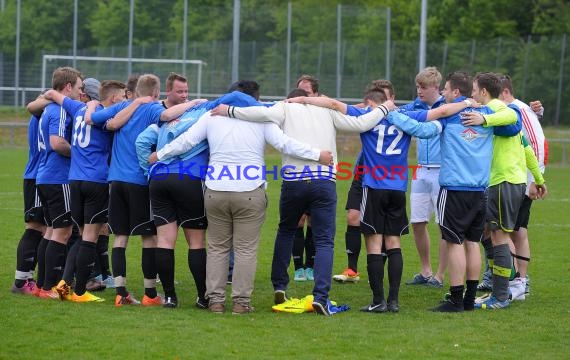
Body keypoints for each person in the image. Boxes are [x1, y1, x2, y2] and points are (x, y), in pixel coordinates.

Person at [152, 84, 334, 314]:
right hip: (249, 190)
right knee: (245, 250)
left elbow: (186, 141)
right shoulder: (260, 118)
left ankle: (215, 300)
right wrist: (318, 154)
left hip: (216, 189)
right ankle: (241, 303)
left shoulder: (212, 116)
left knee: (217, 248)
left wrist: (160, 154)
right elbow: (284, 143)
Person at [289, 85, 471, 313]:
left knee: (374, 243)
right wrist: (467, 103)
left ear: (369, 103)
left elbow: (333, 104)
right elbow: (442, 112)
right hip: (397, 188)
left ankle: (378, 301)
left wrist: (300, 100)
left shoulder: (367, 115)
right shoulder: (405, 115)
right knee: (394, 243)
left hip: (374, 186)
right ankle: (393, 301)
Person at [211, 91, 395, 316]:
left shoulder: (285, 107)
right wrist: (385, 107)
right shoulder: (327, 110)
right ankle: (320, 297)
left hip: (294, 181)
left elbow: (259, 113)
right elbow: (362, 123)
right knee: (325, 240)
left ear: (291, 97)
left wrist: (229, 110)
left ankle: (280, 286)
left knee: (286, 231)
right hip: (323, 180)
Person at [87, 73, 191, 307]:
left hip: (115, 180)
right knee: (149, 237)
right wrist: (193, 103)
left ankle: (121, 292)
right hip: (139, 182)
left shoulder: (123, 105)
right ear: (155, 94)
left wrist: (92, 105)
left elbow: (95, 118)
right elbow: (167, 114)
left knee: (120, 236)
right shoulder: (152, 108)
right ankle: (150, 294)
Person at [462, 72, 547, 310]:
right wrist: (539, 179)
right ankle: (500, 290)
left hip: (504, 182)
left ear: (484, 92)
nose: (472, 96)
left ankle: (500, 295)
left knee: (499, 236)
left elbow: (513, 113)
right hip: (510, 182)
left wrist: (483, 120)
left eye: (474, 91)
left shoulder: (499, 110)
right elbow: (527, 149)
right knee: (493, 233)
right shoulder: (499, 115)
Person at [43, 79, 128, 302]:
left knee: (81, 236)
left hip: (74, 181)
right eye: (121, 97)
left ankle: (63, 285)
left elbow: (53, 94)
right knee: (90, 237)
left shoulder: (78, 108)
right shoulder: (106, 116)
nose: (123, 100)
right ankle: (80, 291)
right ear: (111, 98)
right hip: (96, 181)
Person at [333, 79, 396, 283]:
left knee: (383, 227)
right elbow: (348, 110)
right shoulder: (367, 113)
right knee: (353, 217)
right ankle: (352, 270)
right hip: (362, 172)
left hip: (385, 176)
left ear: (391, 99)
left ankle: (376, 271)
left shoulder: (399, 116)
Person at [33, 67, 83, 299]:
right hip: (58, 177)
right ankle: (49, 287)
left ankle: (42, 286)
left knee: (51, 231)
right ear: (68, 87)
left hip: (45, 176)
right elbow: (57, 143)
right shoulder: (60, 111)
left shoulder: (47, 110)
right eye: (79, 88)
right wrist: (81, 155)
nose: (81, 93)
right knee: (62, 232)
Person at [498, 75, 548, 300]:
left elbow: (537, 144)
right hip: (515, 180)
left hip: (520, 182)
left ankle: (516, 280)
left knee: (507, 231)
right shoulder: (513, 111)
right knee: (515, 230)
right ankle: (518, 281)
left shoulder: (520, 111)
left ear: (505, 92)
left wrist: (535, 180)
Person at [401, 67, 447, 288]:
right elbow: (392, 111)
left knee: (443, 225)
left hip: (443, 171)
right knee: (417, 222)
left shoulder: (448, 105)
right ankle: (425, 270)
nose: (419, 90)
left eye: (423, 87)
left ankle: (440, 275)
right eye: (417, 86)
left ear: (436, 88)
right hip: (420, 170)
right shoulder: (415, 106)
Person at [11, 92, 47, 296]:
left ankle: (28, 278)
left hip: (40, 176)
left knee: (43, 229)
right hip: (36, 176)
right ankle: (20, 281)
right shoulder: (39, 112)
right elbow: (33, 105)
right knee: (34, 227)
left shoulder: (44, 112)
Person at [291, 75, 320, 282]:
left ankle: (310, 266)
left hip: (318, 173)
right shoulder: (291, 113)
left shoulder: (322, 113)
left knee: (314, 221)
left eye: (307, 94)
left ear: (316, 95)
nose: (301, 98)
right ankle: (298, 267)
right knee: (298, 221)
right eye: (299, 92)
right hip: (295, 171)